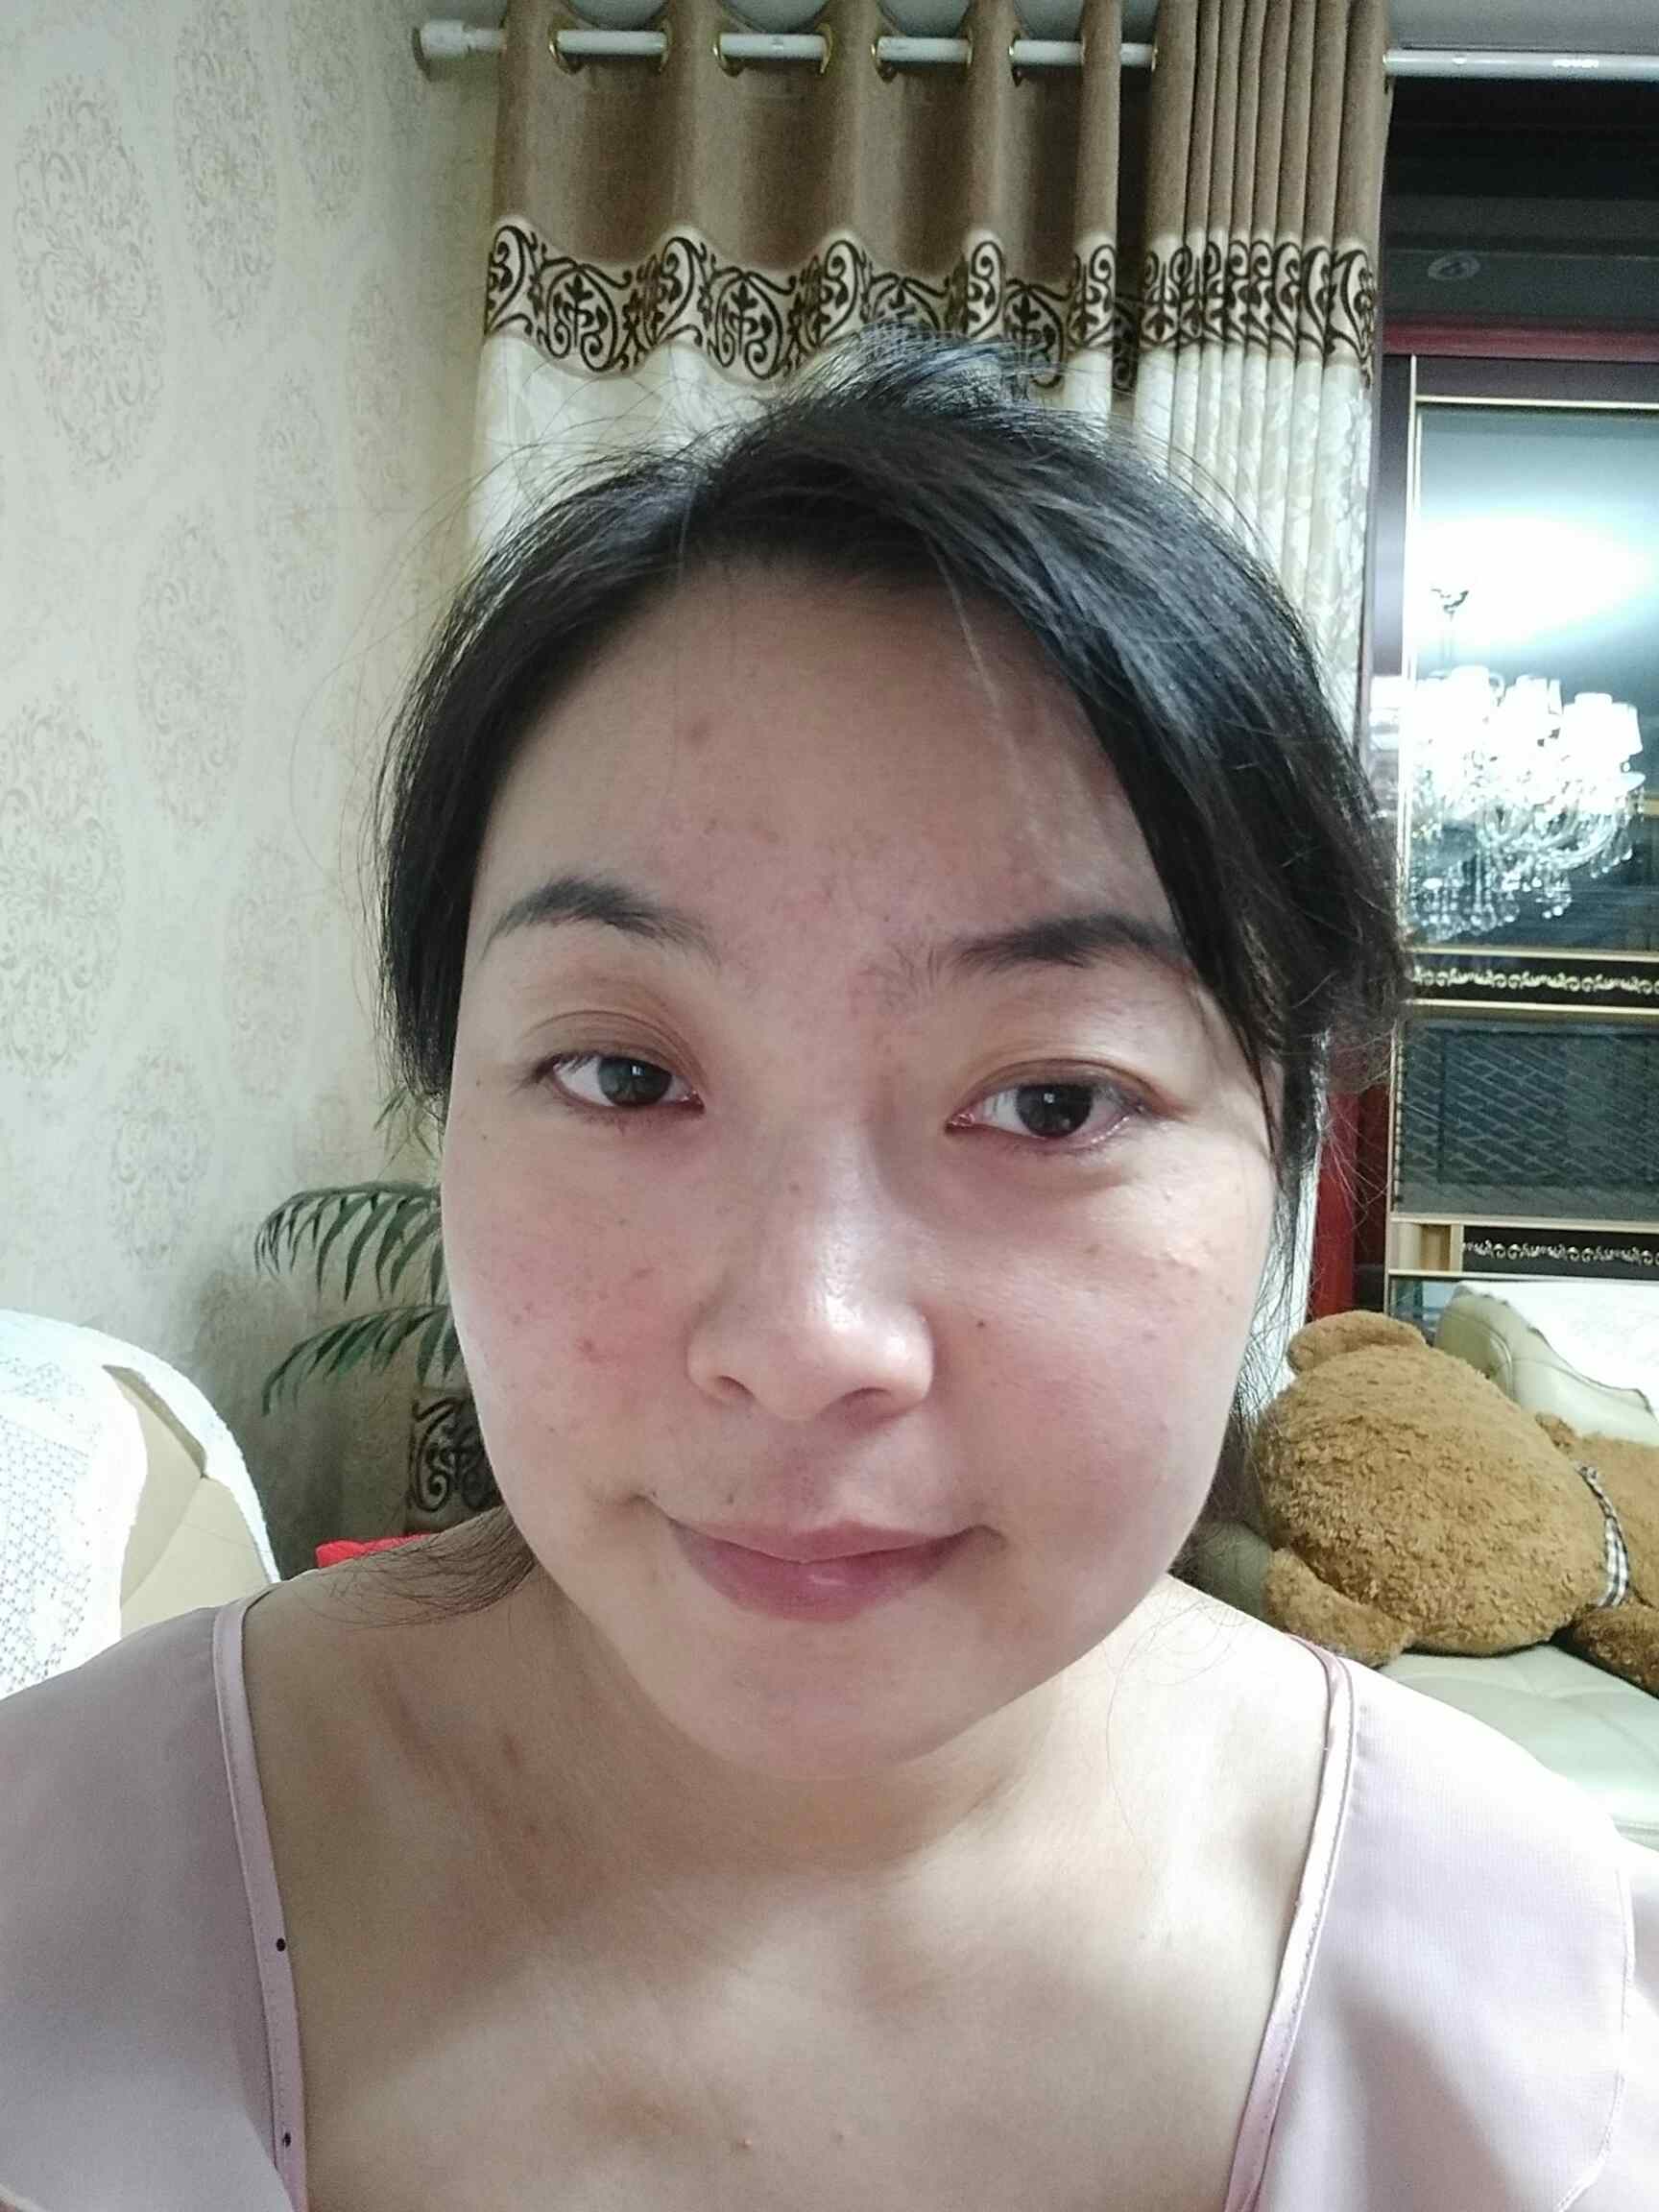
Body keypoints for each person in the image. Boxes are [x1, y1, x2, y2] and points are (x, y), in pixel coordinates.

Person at [1, 329, 1652, 2212]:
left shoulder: (1563, 2044)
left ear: (1282, 1163)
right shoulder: (50, 1898)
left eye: (1051, 1101)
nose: (806, 1340)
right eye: (626, 1076)